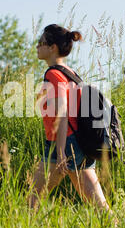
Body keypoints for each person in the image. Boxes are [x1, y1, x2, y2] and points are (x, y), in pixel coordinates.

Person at [29, 24, 110, 212]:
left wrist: (60, 152)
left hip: (64, 143)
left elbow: (63, 113)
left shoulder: (53, 74)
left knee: (33, 198)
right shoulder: (71, 73)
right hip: (78, 141)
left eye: (41, 43)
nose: (37, 47)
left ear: (52, 48)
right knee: (97, 202)